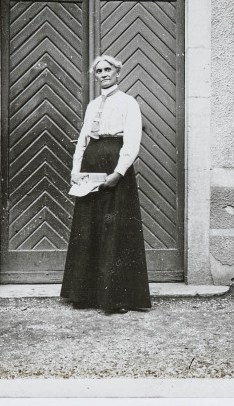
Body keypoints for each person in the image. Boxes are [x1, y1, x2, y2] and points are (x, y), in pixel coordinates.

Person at [60, 54, 151, 314]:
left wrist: (119, 172)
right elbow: (83, 139)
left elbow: (132, 140)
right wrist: (75, 170)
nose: (103, 74)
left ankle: (118, 298)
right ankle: (85, 295)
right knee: (89, 227)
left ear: (118, 72)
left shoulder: (128, 103)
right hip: (91, 166)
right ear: (96, 76)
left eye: (108, 69)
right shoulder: (91, 106)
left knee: (115, 229)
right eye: (99, 71)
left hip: (114, 165)